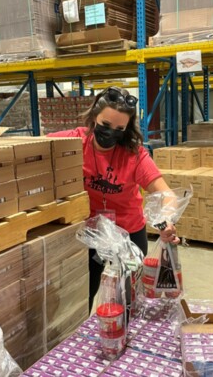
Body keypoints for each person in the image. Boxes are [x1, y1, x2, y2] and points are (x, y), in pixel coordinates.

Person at [48, 86, 180, 310]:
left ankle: (125, 336)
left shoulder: (134, 154)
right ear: (93, 118)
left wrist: (166, 219)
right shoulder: (73, 142)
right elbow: (31, 147)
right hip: (91, 233)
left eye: (119, 129)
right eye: (105, 125)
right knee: (85, 291)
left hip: (129, 234)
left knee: (129, 295)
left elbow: (166, 193)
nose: (111, 133)